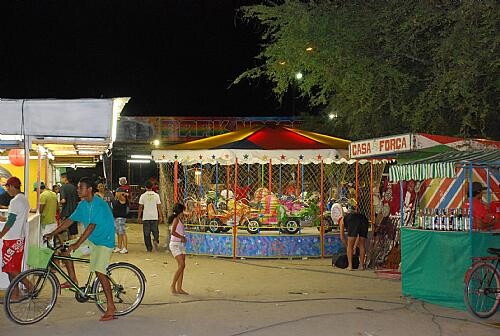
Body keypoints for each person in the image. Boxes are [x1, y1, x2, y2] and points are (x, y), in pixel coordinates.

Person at [44, 177, 117, 321]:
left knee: (99, 271)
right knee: (64, 251)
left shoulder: (99, 204)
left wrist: (76, 245)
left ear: (89, 189)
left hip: (104, 242)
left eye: (80, 187)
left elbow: (90, 227)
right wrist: (53, 233)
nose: (78, 190)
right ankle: (73, 280)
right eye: (78, 187)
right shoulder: (83, 205)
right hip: (92, 240)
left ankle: (111, 306)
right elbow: (70, 220)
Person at [0, 177, 30, 300]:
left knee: (10, 269)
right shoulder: (24, 199)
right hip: (19, 237)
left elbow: (12, 220)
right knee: (12, 268)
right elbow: (15, 218)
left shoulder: (15, 201)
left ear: (12, 186)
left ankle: (30, 286)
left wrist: (1, 234)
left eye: (7, 187)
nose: (7, 190)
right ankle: (15, 293)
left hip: (12, 238)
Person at [138, 180, 164, 252]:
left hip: (146, 217)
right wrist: (161, 216)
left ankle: (149, 248)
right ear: (152, 187)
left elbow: (140, 207)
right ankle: (155, 239)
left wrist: (139, 217)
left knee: (146, 234)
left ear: (145, 187)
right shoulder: (156, 195)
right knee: (155, 231)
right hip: (154, 216)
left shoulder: (143, 196)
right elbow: (159, 206)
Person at [168, 203, 188, 295]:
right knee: (182, 265)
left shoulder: (179, 219)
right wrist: (181, 237)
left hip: (180, 244)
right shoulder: (176, 219)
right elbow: (173, 232)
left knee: (182, 266)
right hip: (175, 244)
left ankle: (179, 288)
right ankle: (173, 285)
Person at [32, 181, 58, 246]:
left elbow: (40, 210)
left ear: (38, 188)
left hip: (46, 223)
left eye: (36, 190)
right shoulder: (53, 194)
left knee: (44, 243)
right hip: (53, 222)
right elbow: (57, 207)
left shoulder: (43, 195)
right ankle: (51, 255)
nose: (36, 192)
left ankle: (45, 255)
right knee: (50, 242)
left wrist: (31, 210)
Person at [59, 173, 79, 239]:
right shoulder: (74, 187)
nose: (60, 179)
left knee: (65, 231)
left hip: (66, 213)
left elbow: (63, 200)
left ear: (65, 178)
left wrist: (58, 203)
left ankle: (68, 246)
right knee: (73, 232)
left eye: (61, 178)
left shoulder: (63, 187)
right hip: (75, 212)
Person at [112, 189, 128, 254]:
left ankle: (125, 248)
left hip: (121, 218)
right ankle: (119, 247)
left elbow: (120, 196)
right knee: (119, 233)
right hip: (116, 218)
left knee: (122, 233)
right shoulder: (117, 200)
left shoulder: (123, 198)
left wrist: (120, 193)